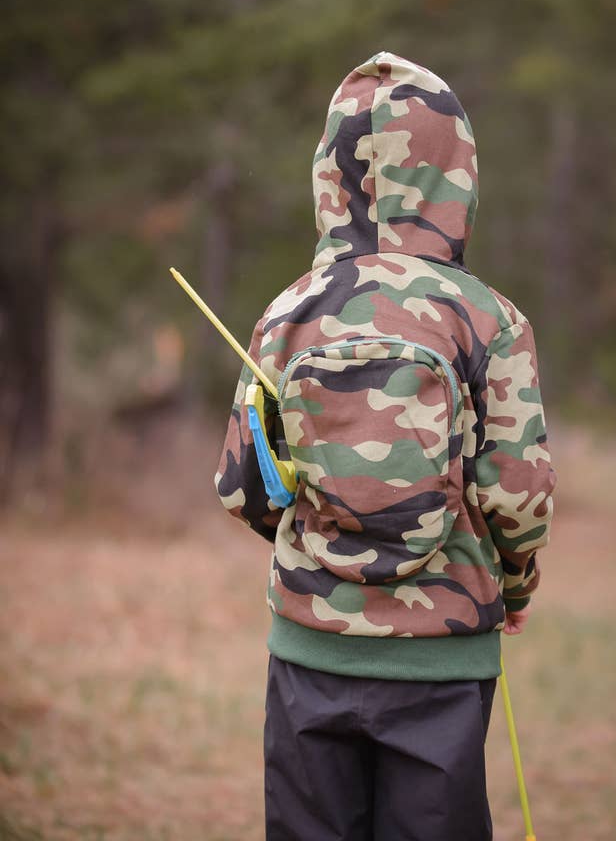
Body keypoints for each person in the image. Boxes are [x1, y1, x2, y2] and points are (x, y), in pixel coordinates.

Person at [215, 51, 556, 841]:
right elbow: (518, 495)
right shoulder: (488, 319)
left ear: (330, 175)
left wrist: (320, 532)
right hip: (441, 664)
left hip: (308, 656)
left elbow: (244, 486)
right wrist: (518, 582)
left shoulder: (287, 313)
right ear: (456, 175)